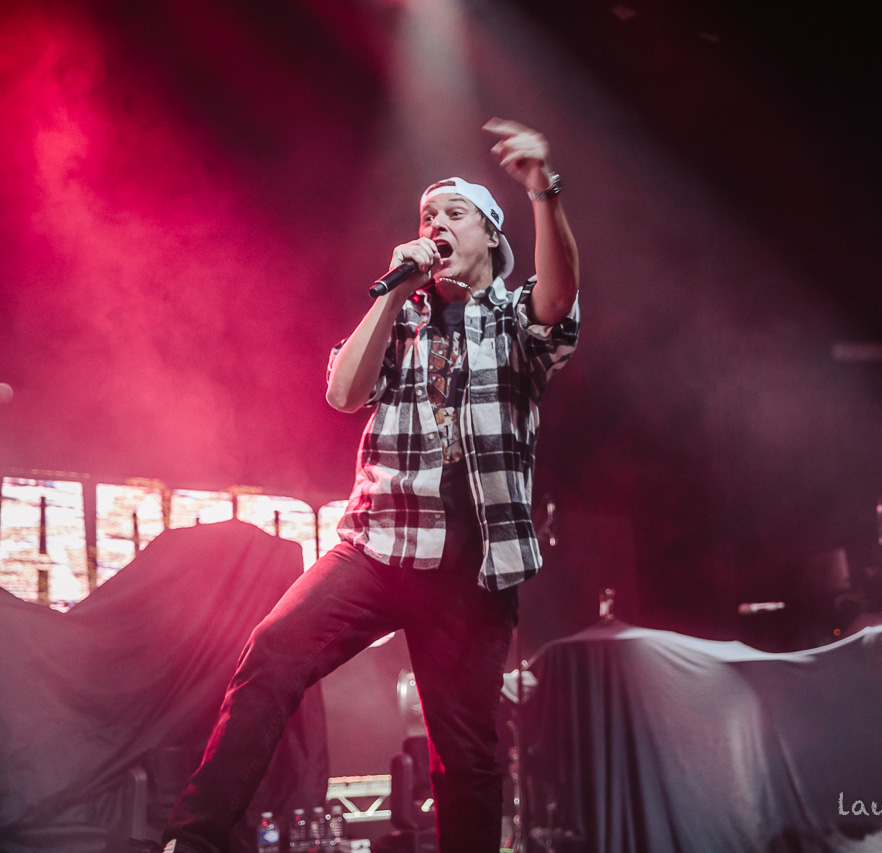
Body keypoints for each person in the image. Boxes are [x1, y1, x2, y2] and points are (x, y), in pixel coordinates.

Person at [162, 118, 580, 853]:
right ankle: (190, 841)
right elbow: (342, 394)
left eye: (453, 214)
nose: (434, 224)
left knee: (466, 756)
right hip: (378, 546)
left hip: (473, 570)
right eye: (425, 216)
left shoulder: (515, 318)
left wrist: (543, 191)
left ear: (491, 236)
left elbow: (559, 297)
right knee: (272, 654)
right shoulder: (403, 317)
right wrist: (390, 296)